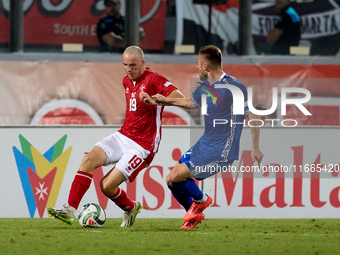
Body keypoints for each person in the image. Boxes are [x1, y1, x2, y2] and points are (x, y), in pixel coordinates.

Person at [48, 46, 184, 227]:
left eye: (133, 65)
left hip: (142, 146)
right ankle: (70, 209)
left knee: (106, 186)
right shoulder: (127, 81)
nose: (129, 69)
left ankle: (130, 208)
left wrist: (158, 100)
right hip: (123, 136)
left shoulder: (154, 80)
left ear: (143, 63)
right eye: (125, 65)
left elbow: (180, 97)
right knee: (89, 159)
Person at [140, 45, 264, 229]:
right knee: (170, 180)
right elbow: (191, 102)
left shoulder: (233, 86)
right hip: (205, 143)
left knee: (177, 177)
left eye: (198, 63)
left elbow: (252, 114)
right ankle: (193, 215)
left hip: (222, 149)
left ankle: (203, 200)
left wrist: (255, 146)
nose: (197, 67)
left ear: (205, 66)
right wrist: (162, 100)